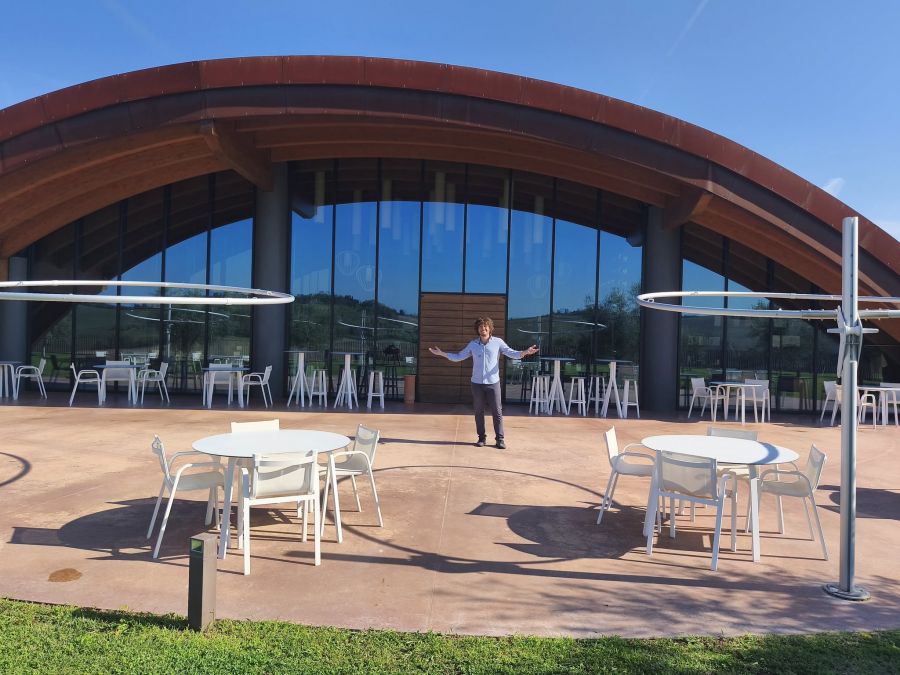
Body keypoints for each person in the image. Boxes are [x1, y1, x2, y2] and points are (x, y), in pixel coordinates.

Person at [428, 317, 539, 449]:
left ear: (490, 328)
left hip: (493, 383)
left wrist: (525, 352)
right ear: (478, 329)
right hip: (476, 384)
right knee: (478, 411)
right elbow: (459, 356)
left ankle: (500, 439)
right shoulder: (473, 344)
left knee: (497, 411)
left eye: (485, 326)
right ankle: (481, 438)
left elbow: (512, 353)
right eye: (480, 326)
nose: (483, 328)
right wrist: (442, 354)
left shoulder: (498, 342)